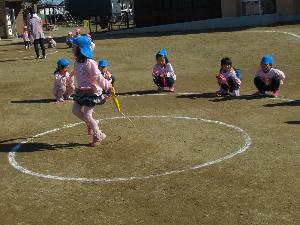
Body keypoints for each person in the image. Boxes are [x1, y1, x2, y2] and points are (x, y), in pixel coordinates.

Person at [71, 36, 115, 147]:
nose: (72, 48)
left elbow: (98, 77)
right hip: (81, 91)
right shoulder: (77, 63)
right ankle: (91, 124)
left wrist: (108, 86)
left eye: (74, 46)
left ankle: (98, 135)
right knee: (75, 110)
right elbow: (76, 75)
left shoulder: (90, 63)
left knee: (87, 114)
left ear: (80, 49)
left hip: (91, 92)